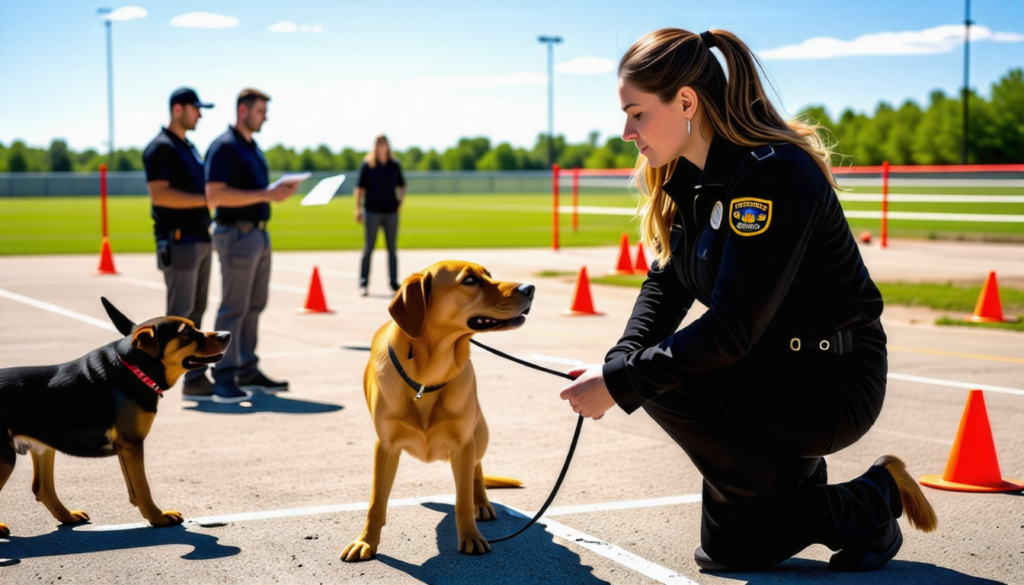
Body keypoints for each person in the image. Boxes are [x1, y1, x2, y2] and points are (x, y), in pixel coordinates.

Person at [558, 28, 937, 573]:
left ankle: (871, 495)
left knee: (659, 376)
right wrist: (617, 365)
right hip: (768, 367)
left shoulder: (774, 174)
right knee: (730, 552)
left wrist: (621, 382)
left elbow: (732, 326)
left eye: (637, 113)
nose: (626, 131)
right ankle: (843, 500)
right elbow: (665, 284)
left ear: (685, 101)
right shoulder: (690, 179)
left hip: (830, 380)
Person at [204, 88, 299, 403]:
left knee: (254, 306)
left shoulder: (252, 148)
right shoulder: (224, 148)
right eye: (261, 111)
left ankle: (247, 368)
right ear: (242, 111)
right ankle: (224, 375)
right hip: (236, 234)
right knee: (233, 308)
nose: (265, 117)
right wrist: (265, 194)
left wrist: (273, 193)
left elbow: (258, 191)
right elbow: (214, 196)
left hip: (258, 234)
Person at [142, 87, 216, 400]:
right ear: (177, 109)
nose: (199, 114)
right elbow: (160, 194)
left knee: (196, 314)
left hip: (199, 236)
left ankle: (195, 379)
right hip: (179, 240)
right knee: (178, 318)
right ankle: (155, 381)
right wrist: (207, 199)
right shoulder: (160, 148)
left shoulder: (189, 147)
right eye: (195, 108)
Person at [354, 134, 406, 296]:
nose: (382, 146)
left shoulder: (394, 165)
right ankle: (364, 282)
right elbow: (359, 188)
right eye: (379, 143)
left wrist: (400, 202)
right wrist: (357, 208)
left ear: (388, 145)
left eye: (384, 143)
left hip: (391, 212)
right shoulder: (368, 165)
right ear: (375, 146)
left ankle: (393, 283)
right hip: (372, 211)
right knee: (368, 247)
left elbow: (402, 185)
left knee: (392, 249)